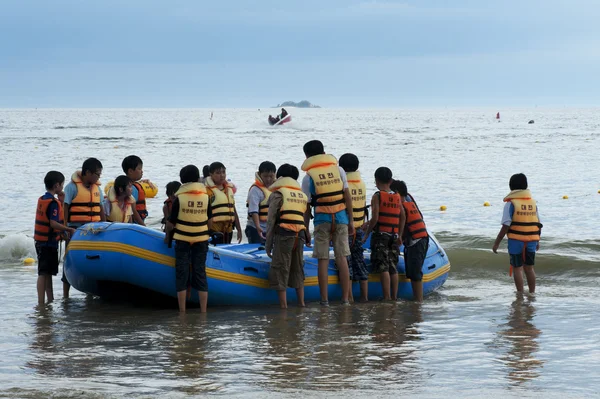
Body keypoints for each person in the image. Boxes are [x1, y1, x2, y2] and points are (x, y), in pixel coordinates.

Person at [301, 140, 354, 306]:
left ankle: (324, 300)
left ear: (307, 156)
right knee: (342, 258)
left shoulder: (308, 177)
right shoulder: (339, 170)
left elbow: (306, 207)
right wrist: (351, 220)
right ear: (324, 152)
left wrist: (305, 229)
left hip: (322, 219)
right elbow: (347, 196)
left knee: (322, 260)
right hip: (341, 218)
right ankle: (345, 299)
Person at [164, 165, 212, 312]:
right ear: (198, 179)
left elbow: (171, 223)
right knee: (200, 272)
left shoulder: (180, 198)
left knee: (182, 273)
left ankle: (182, 311)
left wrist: (167, 238)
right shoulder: (206, 197)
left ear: (182, 180)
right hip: (201, 239)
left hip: (183, 240)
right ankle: (203, 311)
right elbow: (210, 220)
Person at [265, 164, 308, 308]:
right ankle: (301, 303)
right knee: (297, 268)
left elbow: (271, 221)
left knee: (280, 268)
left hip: (284, 235)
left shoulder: (278, 194)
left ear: (280, 177)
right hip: (300, 236)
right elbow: (302, 218)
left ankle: (284, 307)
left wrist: (268, 244)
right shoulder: (302, 195)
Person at [63, 157, 106, 298]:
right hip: (75, 229)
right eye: (97, 174)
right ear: (87, 172)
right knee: (69, 261)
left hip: (94, 230)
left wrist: (105, 226)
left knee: (93, 260)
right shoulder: (71, 187)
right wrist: (64, 228)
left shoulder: (97, 189)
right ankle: (65, 295)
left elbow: (100, 209)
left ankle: (90, 293)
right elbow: (66, 207)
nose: (98, 177)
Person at [492, 173, 542, 293]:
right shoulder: (533, 203)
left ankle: (520, 294)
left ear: (511, 187)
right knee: (529, 268)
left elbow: (505, 226)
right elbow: (538, 223)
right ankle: (532, 293)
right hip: (531, 239)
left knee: (517, 268)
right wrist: (538, 240)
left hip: (516, 241)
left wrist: (496, 243)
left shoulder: (511, 204)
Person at [362, 167, 405, 301]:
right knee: (393, 267)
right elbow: (402, 216)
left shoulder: (378, 196)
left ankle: (386, 297)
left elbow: (375, 218)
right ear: (391, 180)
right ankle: (394, 297)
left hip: (381, 235)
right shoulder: (397, 196)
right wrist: (400, 234)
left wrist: (366, 234)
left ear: (376, 180)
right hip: (394, 235)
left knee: (383, 268)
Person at [34, 171, 76, 305]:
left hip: (41, 241)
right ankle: (41, 303)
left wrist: (61, 201)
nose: (62, 188)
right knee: (43, 273)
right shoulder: (52, 203)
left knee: (47, 273)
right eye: (62, 185)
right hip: (47, 242)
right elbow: (53, 223)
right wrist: (68, 229)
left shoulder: (43, 199)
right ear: (57, 185)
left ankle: (49, 300)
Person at [391, 180, 428, 302]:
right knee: (413, 272)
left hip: (417, 241)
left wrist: (399, 236)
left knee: (415, 274)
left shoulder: (402, 206)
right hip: (419, 239)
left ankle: (418, 302)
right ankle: (417, 300)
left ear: (396, 193)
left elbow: (400, 222)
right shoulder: (409, 202)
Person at [339, 153, 369, 302]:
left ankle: (349, 297)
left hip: (346, 228)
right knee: (360, 261)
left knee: (347, 262)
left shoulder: (344, 184)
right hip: (359, 228)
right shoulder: (361, 183)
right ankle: (364, 297)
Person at [205, 162, 242, 244]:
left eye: (223, 172)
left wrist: (239, 229)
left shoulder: (229, 189)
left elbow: (233, 210)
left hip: (228, 230)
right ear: (211, 174)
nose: (222, 175)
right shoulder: (207, 191)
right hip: (214, 230)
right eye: (218, 173)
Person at [246, 161, 276, 244]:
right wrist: (258, 226)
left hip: (270, 229)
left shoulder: (276, 188)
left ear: (275, 174)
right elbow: (254, 210)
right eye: (265, 176)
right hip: (255, 228)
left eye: (271, 176)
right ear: (259, 174)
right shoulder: (255, 190)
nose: (268, 179)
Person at [121, 155, 148, 223]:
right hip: (135, 225)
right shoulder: (132, 189)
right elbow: (132, 211)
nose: (142, 171)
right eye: (139, 169)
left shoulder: (127, 186)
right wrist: (144, 227)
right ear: (130, 171)